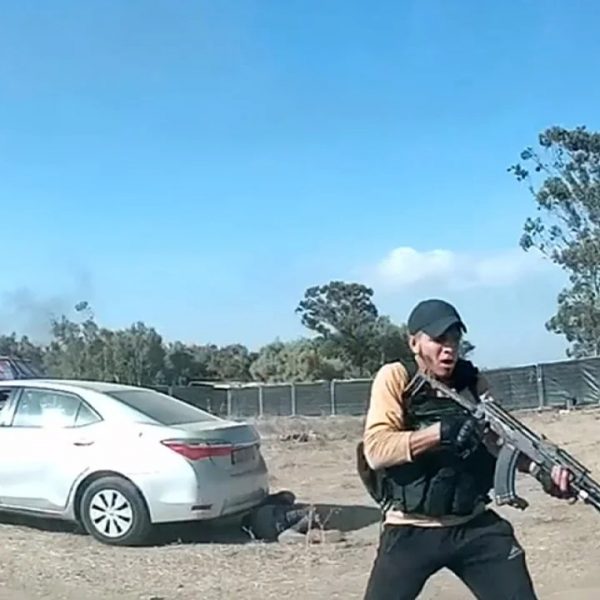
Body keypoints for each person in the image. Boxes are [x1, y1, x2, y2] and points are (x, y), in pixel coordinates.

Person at [357, 298, 574, 600]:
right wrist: (439, 433)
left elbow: (502, 441)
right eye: (438, 340)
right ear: (414, 343)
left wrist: (542, 470)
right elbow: (376, 450)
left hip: (472, 524)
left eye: (454, 339)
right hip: (410, 527)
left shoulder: (472, 382)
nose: (449, 348)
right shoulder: (397, 377)